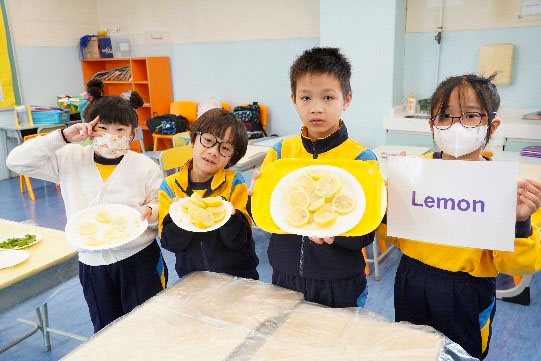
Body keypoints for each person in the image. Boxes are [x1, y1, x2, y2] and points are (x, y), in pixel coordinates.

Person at [376, 74, 541, 360]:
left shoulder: (506, 187)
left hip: (466, 291)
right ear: (432, 125)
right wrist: (386, 205)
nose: (456, 126)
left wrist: (519, 222)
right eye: (444, 116)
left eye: (470, 116)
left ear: (492, 125)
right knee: (409, 349)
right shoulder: (415, 172)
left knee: (461, 354)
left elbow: (519, 264)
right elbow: (390, 234)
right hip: (412, 277)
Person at [7, 96, 167, 333]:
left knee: (148, 325)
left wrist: (150, 211)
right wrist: (62, 137)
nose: (111, 135)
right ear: (90, 130)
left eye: (120, 129)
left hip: (139, 258)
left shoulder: (144, 166)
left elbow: (161, 203)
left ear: (132, 134)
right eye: (102, 128)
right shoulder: (70, 158)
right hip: (93, 263)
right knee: (105, 329)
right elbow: (16, 162)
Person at [250, 47, 376, 308]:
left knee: (338, 344)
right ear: (294, 99)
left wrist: (336, 236)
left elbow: (366, 233)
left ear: (347, 99)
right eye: (306, 98)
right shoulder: (281, 153)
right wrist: (255, 198)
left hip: (338, 279)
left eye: (328, 97)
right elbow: (264, 219)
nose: (316, 108)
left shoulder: (361, 160)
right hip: (284, 275)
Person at [159, 108, 259, 280]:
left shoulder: (235, 182)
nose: (213, 151)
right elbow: (170, 244)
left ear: (231, 159)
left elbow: (239, 240)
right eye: (208, 140)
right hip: (193, 279)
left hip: (238, 277)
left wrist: (230, 216)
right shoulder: (169, 186)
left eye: (225, 148)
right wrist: (180, 217)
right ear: (192, 140)